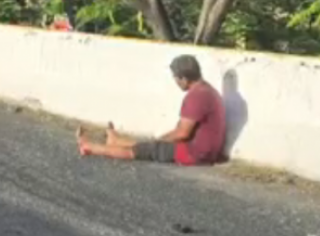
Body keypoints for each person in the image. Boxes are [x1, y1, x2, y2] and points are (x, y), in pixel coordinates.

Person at [76, 54, 227, 166]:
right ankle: (116, 140)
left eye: (176, 78)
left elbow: (182, 133)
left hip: (195, 154)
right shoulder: (208, 90)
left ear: (184, 79)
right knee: (152, 144)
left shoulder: (196, 96)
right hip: (206, 151)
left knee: (145, 150)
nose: (175, 82)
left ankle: (90, 147)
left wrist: (159, 141)